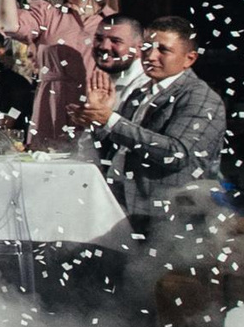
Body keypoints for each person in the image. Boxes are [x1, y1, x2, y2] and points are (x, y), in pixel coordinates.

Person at [75, 14, 227, 234]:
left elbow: (177, 154)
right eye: (147, 47)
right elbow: (119, 146)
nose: (151, 56)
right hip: (127, 206)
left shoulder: (200, 97)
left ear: (189, 59)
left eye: (163, 50)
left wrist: (110, 120)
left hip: (171, 217)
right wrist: (96, 121)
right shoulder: (141, 93)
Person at [0, 0, 110, 150]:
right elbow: (9, 25)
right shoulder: (48, 13)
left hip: (94, 106)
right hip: (52, 104)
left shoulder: (113, 22)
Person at [94, 15, 148, 110]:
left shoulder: (145, 87)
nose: (104, 46)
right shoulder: (99, 77)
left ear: (138, 49)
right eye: (99, 39)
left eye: (115, 41)